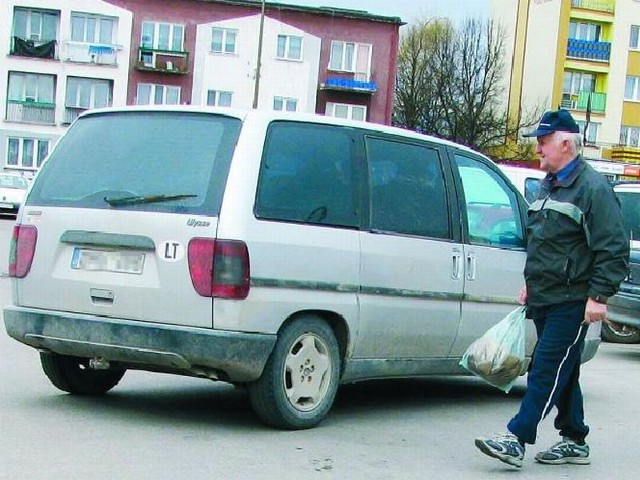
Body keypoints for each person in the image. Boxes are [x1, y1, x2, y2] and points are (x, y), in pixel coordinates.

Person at [474, 109, 630, 468]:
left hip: (572, 301)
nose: (538, 149)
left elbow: (613, 247)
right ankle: (575, 439)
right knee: (565, 369)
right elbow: (544, 242)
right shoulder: (549, 185)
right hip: (545, 297)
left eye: (543, 142)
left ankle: (516, 438)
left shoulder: (593, 189)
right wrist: (531, 284)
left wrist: (599, 296)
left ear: (565, 143)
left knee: (545, 368)